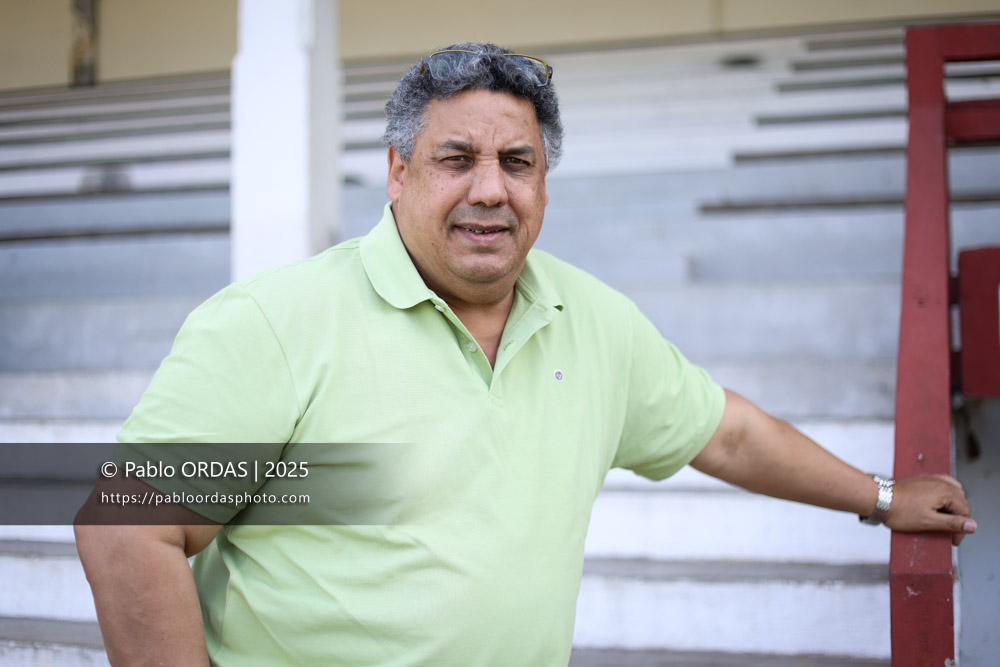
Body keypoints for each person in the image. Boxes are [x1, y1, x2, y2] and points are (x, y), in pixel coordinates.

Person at [75, 42, 976, 666]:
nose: (489, 190)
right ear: (398, 172)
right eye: (455, 157)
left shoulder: (593, 320)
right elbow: (128, 529)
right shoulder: (277, 321)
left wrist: (883, 497)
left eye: (518, 160)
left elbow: (726, 433)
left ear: (545, 179)